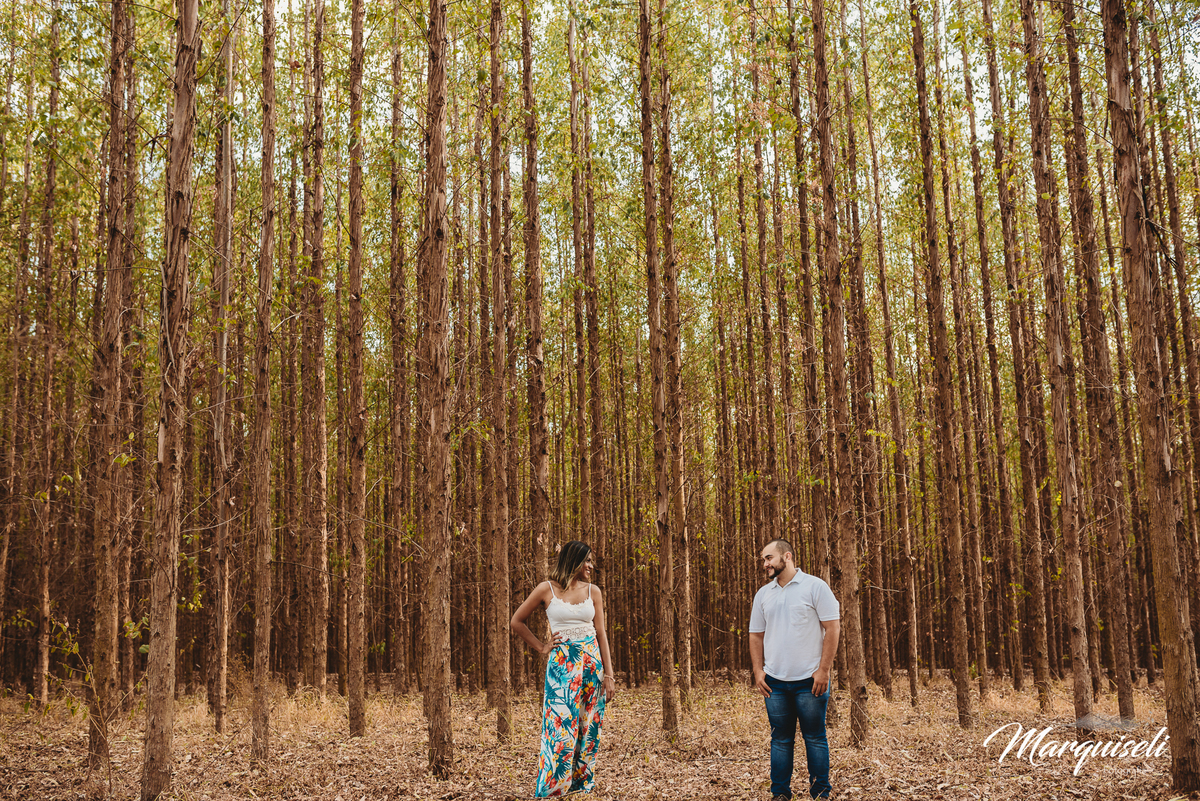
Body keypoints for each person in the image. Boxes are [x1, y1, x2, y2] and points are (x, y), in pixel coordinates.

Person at [511, 541, 616, 797]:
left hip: (592, 665)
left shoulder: (594, 591)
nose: (591, 566)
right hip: (562, 667)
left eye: (591, 561)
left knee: (587, 726)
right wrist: (541, 646)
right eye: (587, 561)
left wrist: (610, 675)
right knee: (559, 725)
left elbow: (601, 634)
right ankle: (554, 787)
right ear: (574, 561)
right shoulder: (546, 589)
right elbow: (516, 621)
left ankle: (581, 785)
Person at [749, 539, 841, 800]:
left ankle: (821, 793)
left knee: (814, 738)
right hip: (774, 683)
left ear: (786, 556)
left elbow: (832, 628)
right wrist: (758, 671)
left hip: (810, 681)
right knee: (780, 740)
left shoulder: (815, 587)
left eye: (769, 558)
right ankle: (780, 794)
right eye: (764, 560)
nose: (765, 564)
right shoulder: (763, 594)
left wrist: (823, 670)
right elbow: (755, 635)